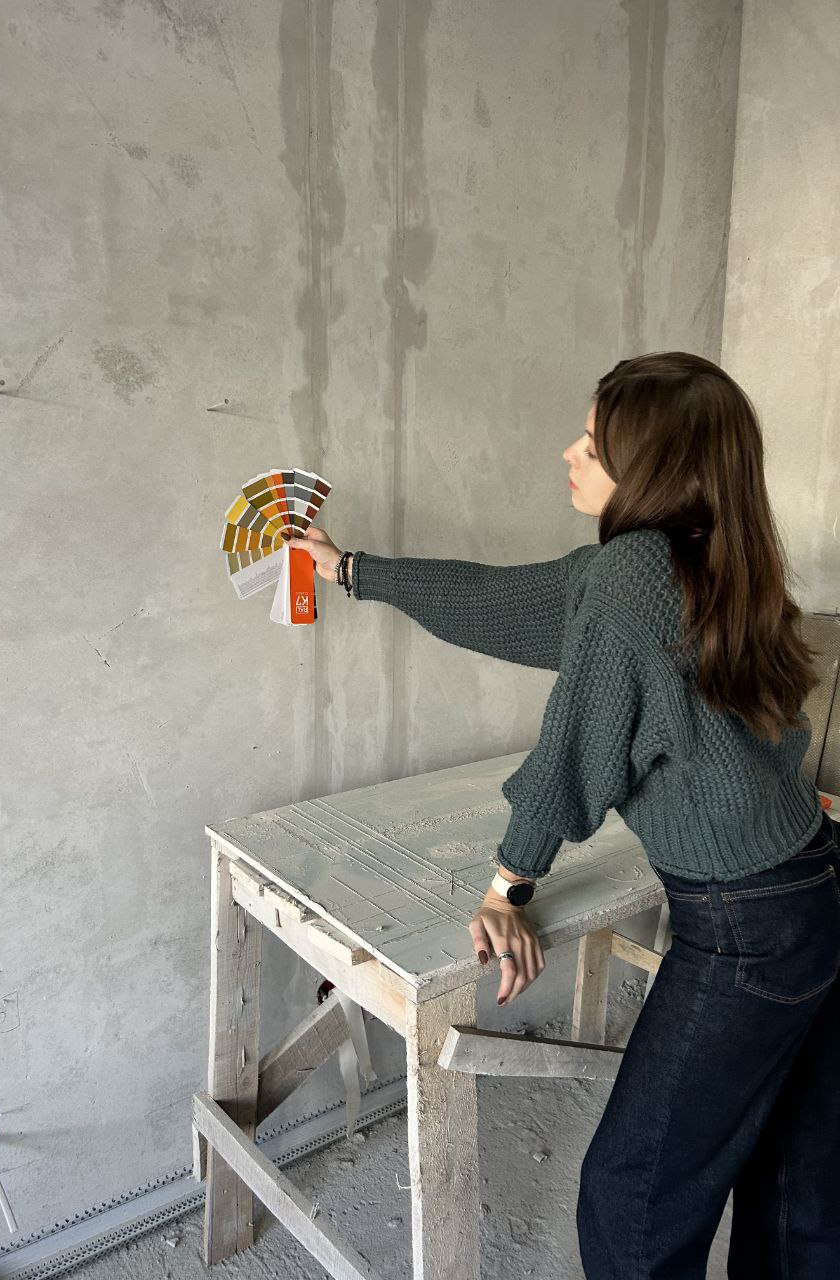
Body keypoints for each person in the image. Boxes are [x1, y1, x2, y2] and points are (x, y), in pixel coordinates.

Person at [286, 350, 840, 1278]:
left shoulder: (633, 578)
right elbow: (495, 600)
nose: (569, 452)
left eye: (593, 442)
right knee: (796, 1183)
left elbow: (574, 752)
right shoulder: (712, 557)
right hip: (813, 887)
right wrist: (349, 569)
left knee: (632, 1200)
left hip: (747, 931)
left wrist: (508, 885)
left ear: (655, 468)